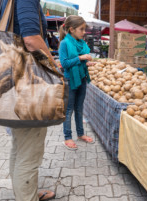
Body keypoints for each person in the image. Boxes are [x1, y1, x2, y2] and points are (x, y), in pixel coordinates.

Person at [0, 0, 56, 200]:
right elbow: (31, 39)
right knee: (29, 152)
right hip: (28, 87)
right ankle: (27, 196)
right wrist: (53, 67)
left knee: (20, 145)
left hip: (16, 84)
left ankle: (25, 193)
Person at [59, 15, 95, 150]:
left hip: (82, 78)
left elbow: (81, 62)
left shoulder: (82, 43)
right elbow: (64, 63)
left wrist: (87, 63)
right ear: (72, 29)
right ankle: (67, 137)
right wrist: (80, 58)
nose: (84, 32)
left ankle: (80, 134)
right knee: (68, 111)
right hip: (69, 80)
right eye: (82, 29)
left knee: (79, 109)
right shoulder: (64, 43)